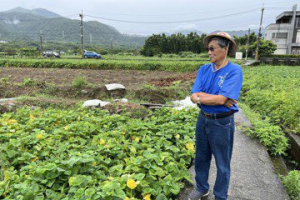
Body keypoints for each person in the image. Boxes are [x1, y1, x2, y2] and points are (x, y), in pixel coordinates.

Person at [187, 32, 243, 200]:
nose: (209, 52)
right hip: (203, 118)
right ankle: (202, 188)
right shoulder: (204, 69)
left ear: (225, 48)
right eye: (207, 49)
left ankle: (220, 196)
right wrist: (214, 98)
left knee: (222, 162)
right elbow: (194, 95)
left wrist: (207, 97)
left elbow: (221, 100)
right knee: (201, 157)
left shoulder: (234, 71)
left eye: (212, 48)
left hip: (222, 122)